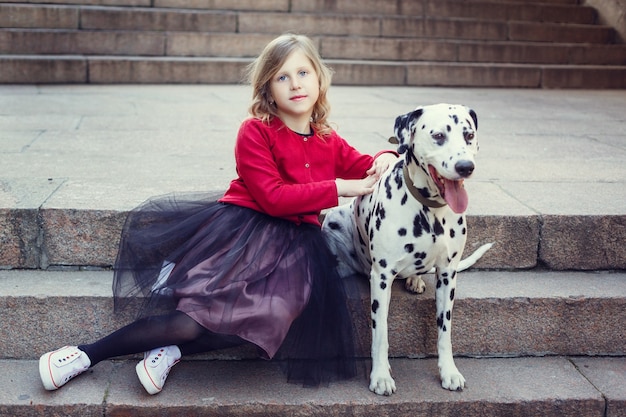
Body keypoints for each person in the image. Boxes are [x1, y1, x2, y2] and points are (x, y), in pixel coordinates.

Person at [38, 33, 398, 395]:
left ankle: (171, 351)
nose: (295, 84)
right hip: (245, 234)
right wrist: (337, 188)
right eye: (282, 77)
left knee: (270, 322)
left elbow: (365, 165)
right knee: (195, 318)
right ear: (268, 90)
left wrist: (385, 157)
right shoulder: (255, 131)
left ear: (319, 80)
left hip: (297, 249)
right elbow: (273, 197)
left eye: (303, 73)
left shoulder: (327, 138)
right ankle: (85, 355)